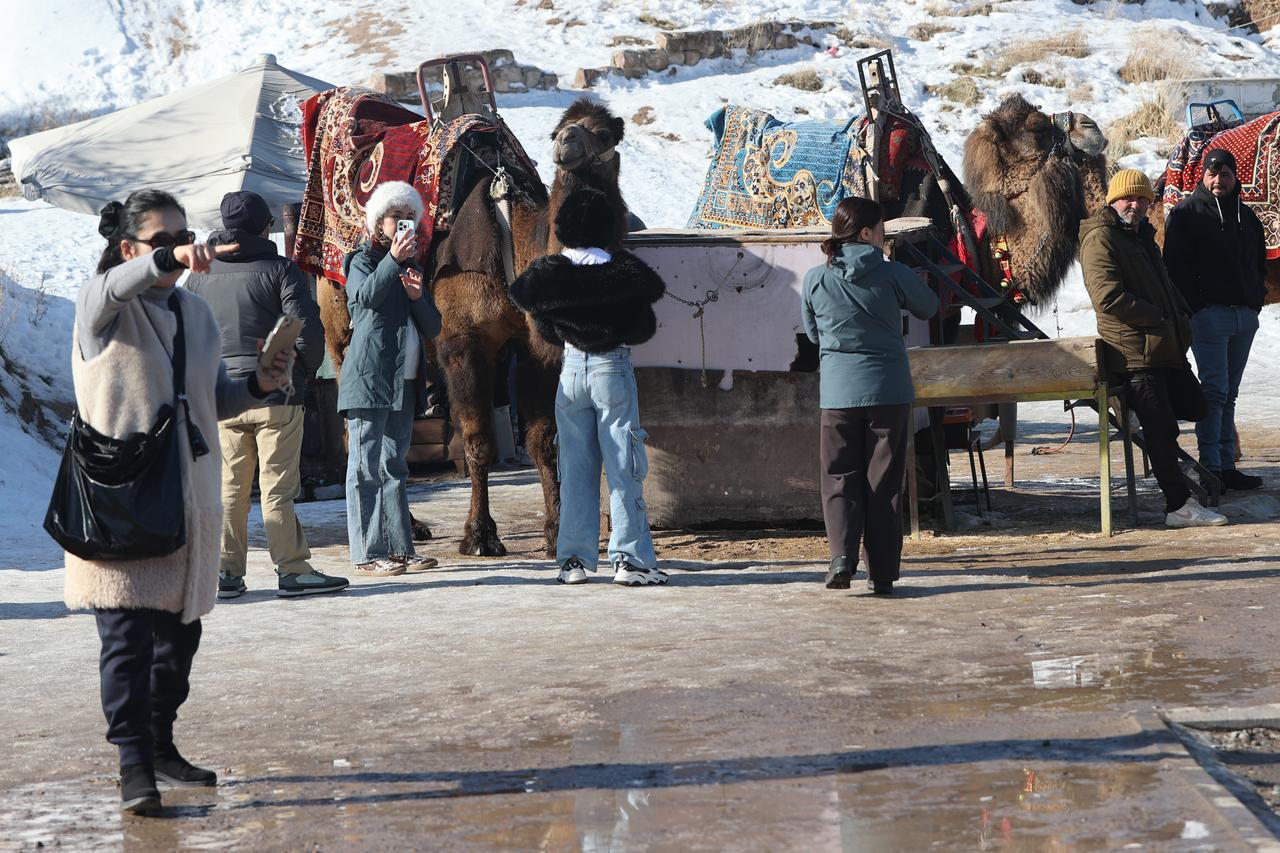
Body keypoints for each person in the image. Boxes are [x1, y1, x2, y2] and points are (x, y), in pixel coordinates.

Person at [65, 189, 292, 814]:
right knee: (127, 639)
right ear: (128, 247)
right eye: (160, 240)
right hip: (121, 498)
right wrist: (164, 262)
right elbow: (113, 290)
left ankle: (161, 743)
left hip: (191, 498)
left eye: (182, 235)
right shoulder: (101, 307)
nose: (176, 248)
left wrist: (260, 384)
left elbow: (212, 398)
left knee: (179, 640)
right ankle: (133, 763)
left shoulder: (195, 313)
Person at [185, 191, 347, 599]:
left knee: (230, 489)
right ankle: (292, 570)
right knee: (278, 488)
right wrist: (301, 374)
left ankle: (225, 572)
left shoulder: (199, 276)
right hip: (276, 394)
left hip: (222, 398)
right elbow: (307, 328)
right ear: (264, 227)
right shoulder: (282, 270)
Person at [510, 188, 667, 586]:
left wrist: (566, 328)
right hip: (611, 369)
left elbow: (539, 321)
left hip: (570, 374)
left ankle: (574, 561)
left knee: (576, 469)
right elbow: (643, 327)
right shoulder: (622, 272)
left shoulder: (548, 273)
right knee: (622, 466)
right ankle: (629, 559)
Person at [801, 197, 938, 596]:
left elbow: (814, 335)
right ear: (866, 233)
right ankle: (881, 574)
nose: (884, 235)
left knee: (840, 477)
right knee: (884, 482)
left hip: (838, 394)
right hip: (888, 392)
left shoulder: (814, 278)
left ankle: (841, 559)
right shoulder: (892, 273)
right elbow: (928, 308)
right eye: (881, 228)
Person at [1079, 168, 1226, 527]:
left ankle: (1137, 415)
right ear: (1113, 199)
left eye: (1143, 198)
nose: (1137, 204)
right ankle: (1178, 505)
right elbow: (1108, 297)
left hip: (1163, 348)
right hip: (1134, 354)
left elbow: (1163, 283)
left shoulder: (1140, 235)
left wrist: (1180, 315)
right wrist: (1159, 317)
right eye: (1129, 197)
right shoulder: (1101, 238)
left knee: (1197, 405)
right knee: (1162, 431)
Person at [339, 181, 442, 576]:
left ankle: (400, 548)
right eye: (395, 218)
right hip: (369, 378)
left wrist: (418, 298)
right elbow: (364, 298)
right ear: (377, 224)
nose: (403, 225)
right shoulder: (361, 261)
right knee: (364, 467)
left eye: (409, 219)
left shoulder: (413, 269)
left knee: (394, 466)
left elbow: (432, 327)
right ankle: (367, 552)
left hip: (405, 379)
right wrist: (392, 262)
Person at [1163, 148, 1267, 492]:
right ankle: (1211, 466)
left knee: (1230, 393)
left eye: (1224, 174)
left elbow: (1257, 263)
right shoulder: (1186, 214)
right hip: (1209, 317)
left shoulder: (1247, 217)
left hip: (1243, 317)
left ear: (1234, 176)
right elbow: (1174, 267)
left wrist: (1254, 303)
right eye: (1212, 174)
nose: (1218, 180)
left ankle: (1225, 464)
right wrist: (1198, 307)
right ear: (1202, 177)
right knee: (1214, 392)